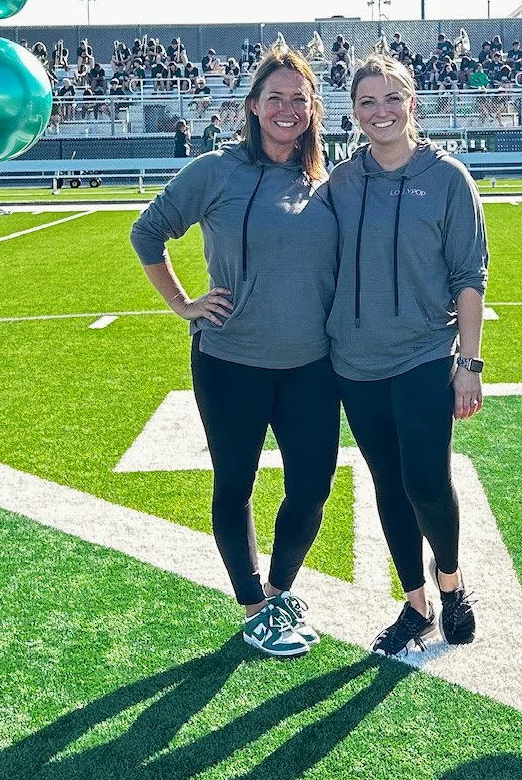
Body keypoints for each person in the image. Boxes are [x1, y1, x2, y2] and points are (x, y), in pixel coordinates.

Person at [130, 50, 339, 659]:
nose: (286, 109)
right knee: (236, 482)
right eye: (274, 97)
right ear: (252, 105)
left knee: (312, 485)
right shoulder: (216, 171)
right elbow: (148, 231)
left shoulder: (326, 180)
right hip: (231, 360)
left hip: (312, 365)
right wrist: (183, 303)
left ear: (313, 110)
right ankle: (253, 605)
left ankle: (278, 591)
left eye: (299, 99)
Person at [321, 53, 488, 659]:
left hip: (422, 354)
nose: (381, 110)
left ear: (412, 102)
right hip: (354, 363)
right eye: (368, 101)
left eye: (392, 98)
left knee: (426, 479)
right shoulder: (340, 181)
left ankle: (452, 584)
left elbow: (470, 276)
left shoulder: (447, 178)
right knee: (387, 484)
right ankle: (415, 603)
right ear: (354, 113)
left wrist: (469, 363)